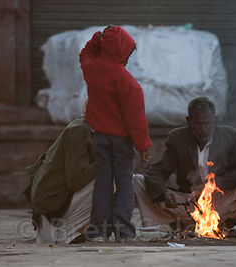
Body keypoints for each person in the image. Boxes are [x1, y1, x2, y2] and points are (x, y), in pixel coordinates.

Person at [134, 96, 236, 237]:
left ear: (215, 121)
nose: (202, 129)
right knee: (138, 180)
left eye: (207, 123)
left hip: (221, 201)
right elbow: (157, 172)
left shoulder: (228, 136)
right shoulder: (177, 138)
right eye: (197, 123)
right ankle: (179, 224)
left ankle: (226, 223)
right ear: (188, 121)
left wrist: (216, 183)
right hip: (187, 202)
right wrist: (164, 193)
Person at [79, 25, 152, 242]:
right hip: (122, 142)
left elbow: (85, 53)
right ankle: (124, 231)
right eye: (127, 53)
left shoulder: (91, 68)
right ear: (121, 52)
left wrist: (98, 37)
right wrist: (143, 146)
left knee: (102, 184)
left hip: (99, 138)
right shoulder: (128, 82)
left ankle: (97, 231)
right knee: (124, 184)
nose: (128, 58)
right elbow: (136, 119)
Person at [25, 109, 95, 244]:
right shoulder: (80, 130)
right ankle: (68, 233)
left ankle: (73, 231)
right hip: (50, 212)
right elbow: (76, 180)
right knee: (108, 180)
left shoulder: (82, 127)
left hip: (52, 210)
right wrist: (103, 162)